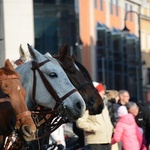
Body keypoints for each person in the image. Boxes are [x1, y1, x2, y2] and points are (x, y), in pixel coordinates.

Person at [76, 82, 113, 150]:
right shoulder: (88, 106)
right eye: (101, 91)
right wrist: (94, 128)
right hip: (94, 143)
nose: (103, 93)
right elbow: (80, 123)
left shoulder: (103, 105)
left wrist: (111, 128)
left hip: (107, 141)